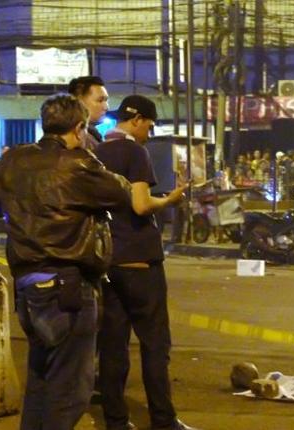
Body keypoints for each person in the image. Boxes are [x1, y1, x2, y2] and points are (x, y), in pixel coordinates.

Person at [0, 94, 132, 429]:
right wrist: (86, 153)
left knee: (41, 383)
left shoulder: (15, 160)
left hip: (29, 287)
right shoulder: (78, 163)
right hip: (68, 287)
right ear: (79, 128)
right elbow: (121, 192)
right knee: (69, 392)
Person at [94, 95, 197, 430]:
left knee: (113, 348)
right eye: (149, 125)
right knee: (155, 344)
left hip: (108, 263)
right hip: (139, 261)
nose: (149, 134)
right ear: (137, 120)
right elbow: (139, 205)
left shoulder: (95, 152)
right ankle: (163, 421)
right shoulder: (134, 152)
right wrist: (168, 199)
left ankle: (116, 421)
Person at [69, 75, 110, 151]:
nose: (106, 107)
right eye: (100, 100)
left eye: (106, 100)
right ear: (79, 101)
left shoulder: (91, 135)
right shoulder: (78, 139)